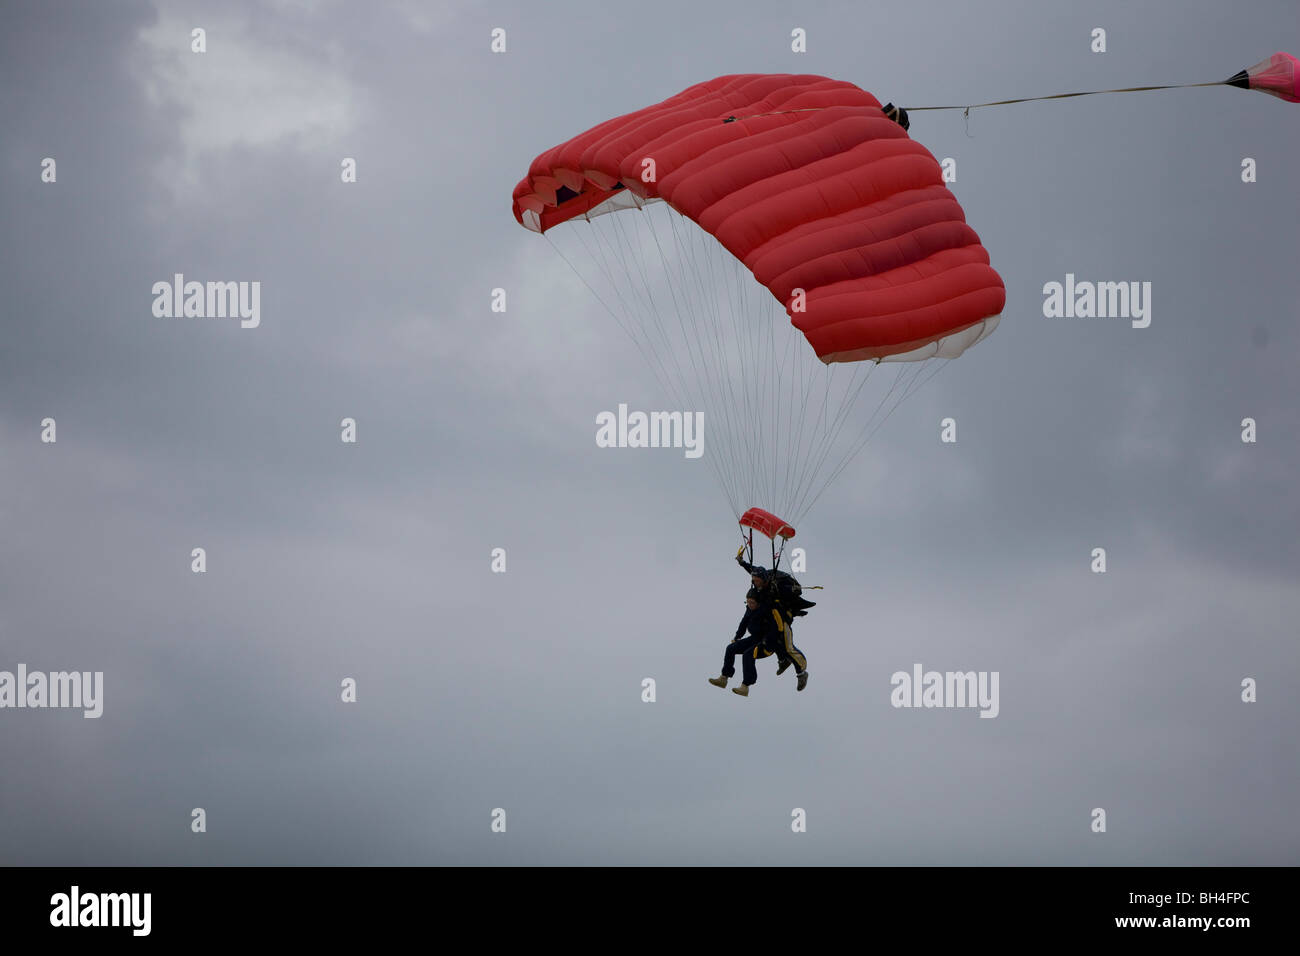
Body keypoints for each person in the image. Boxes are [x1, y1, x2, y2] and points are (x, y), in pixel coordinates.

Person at [736, 547, 810, 691]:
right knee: (772, 640)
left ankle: (801, 672)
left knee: (788, 646)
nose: (755, 583)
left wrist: (793, 589)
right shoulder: (760, 578)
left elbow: (795, 590)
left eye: (757, 581)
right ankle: (783, 661)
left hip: (783, 618)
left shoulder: (778, 583)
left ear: (763, 580)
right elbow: (752, 569)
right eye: (754, 580)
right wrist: (742, 562)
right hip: (770, 621)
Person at [709, 589, 776, 696]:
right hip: (754, 638)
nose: (749, 605)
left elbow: (774, 629)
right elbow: (743, 623)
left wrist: (766, 641)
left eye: (752, 602)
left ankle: (745, 686)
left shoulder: (766, 611)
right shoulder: (749, 610)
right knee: (730, 648)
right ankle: (723, 678)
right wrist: (737, 637)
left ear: (758, 603)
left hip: (766, 642)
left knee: (748, 654)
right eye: (747, 602)